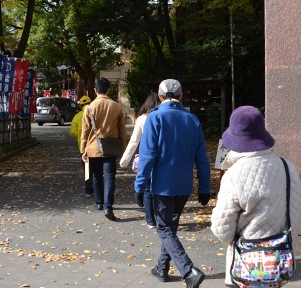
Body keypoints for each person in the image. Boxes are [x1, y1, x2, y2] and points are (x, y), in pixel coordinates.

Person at [210, 106, 301, 287]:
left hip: (246, 267)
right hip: (278, 262)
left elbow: (221, 230)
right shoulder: (287, 167)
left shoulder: (233, 175)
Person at [134, 79, 211, 288]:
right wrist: (205, 187)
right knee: (171, 226)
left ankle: (188, 270)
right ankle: (162, 268)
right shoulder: (192, 120)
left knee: (164, 228)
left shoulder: (154, 118)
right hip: (184, 186)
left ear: (159, 97)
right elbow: (202, 158)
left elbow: (147, 156)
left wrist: (139, 186)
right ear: (181, 96)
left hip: (162, 185)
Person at [80, 77, 126, 221]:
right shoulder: (117, 107)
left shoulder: (89, 108)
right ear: (108, 89)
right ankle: (108, 206)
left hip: (93, 148)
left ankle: (99, 202)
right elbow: (122, 131)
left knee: (96, 176)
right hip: (111, 148)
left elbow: (85, 131)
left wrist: (83, 150)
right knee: (110, 177)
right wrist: (122, 150)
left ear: (95, 90)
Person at [120, 92, 162, 228]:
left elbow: (134, 141)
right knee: (161, 188)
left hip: (147, 157)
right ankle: (161, 217)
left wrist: (124, 160)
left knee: (148, 189)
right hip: (163, 158)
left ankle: (150, 221)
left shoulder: (142, 119)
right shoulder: (164, 117)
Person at [70, 95, 93, 198]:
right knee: (97, 169)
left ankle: (88, 191)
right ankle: (98, 190)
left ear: (81, 106)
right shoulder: (94, 113)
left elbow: (72, 131)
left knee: (87, 170)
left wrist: (80, 135)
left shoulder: (77, 116)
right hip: (95, 146)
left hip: (83, 147)